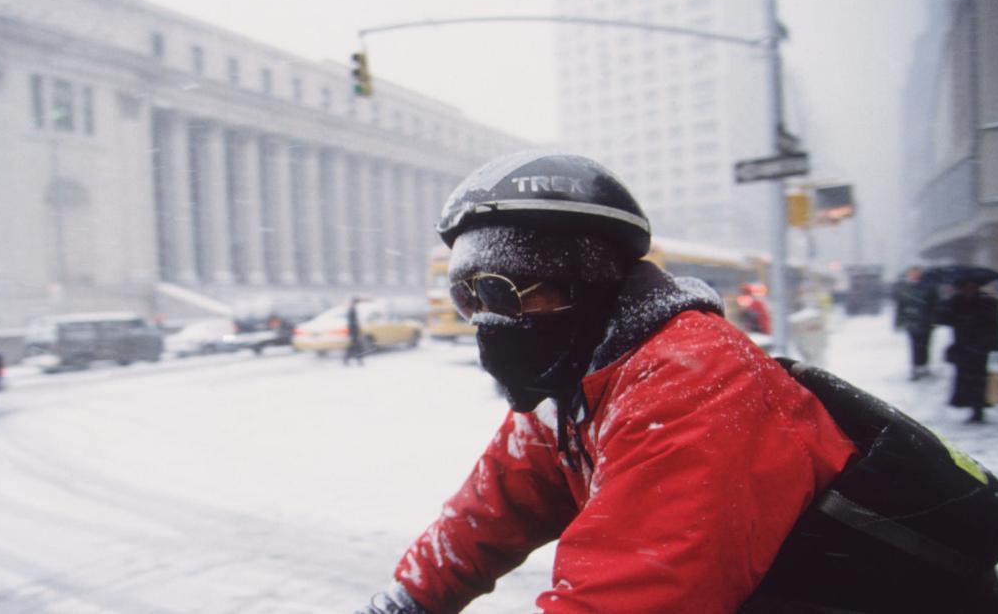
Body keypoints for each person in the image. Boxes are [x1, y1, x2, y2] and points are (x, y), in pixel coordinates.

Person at [354, 152, 860, 614]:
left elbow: (625, 596)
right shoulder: (577, 378)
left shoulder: (693, 378)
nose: (486, 320)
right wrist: (404, 602)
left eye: (501, 292)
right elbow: (493, 506)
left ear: (584, 283)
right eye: (469, 299)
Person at [937, 278, 998, 422]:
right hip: (963, 347)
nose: (968, 289)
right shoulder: (956, 301)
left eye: (972, 286)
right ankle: (973, 406)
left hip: (981, 347)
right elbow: (942, 319)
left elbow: (995, 327)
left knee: (978, 379)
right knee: (967, 379)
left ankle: (977, 409)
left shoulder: (989, 302)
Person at [894, 266, 937, 380]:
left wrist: (933, 320)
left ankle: (923, 366)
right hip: (912, 323)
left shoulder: (928, 288)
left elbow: (934, 305)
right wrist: (899, 321)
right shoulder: (906, 288)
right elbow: (901, 306)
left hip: (925, 322)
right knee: (914, 346)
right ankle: (916, 368)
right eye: (911, 273)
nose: (913, 275)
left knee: (925, 345)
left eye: (915, 273)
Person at [344, 297, 364, 367]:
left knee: (354, 346)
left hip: (354, 332)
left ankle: (355, 359)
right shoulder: (352, 310)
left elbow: (353, 322)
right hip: (353, 332)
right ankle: (358, 360)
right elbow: (352, 323)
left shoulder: (352, 310)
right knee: (355, 346)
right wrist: (355, 331)